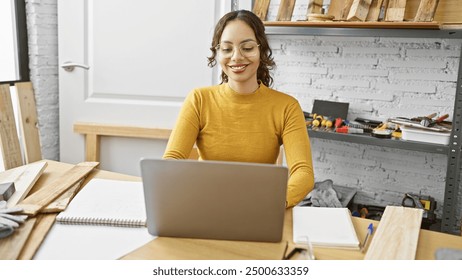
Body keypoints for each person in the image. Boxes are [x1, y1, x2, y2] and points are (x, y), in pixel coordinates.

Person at [163, 10, 314, 207]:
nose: (236, 57)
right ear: (218, 53)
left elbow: (303, 173)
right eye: (226, 49)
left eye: (248, 47)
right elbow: (172, 159)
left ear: (261, 50)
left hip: (261, 206)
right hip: (205, 204)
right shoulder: (199, 99)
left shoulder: (286, 107)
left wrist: (273, 202)